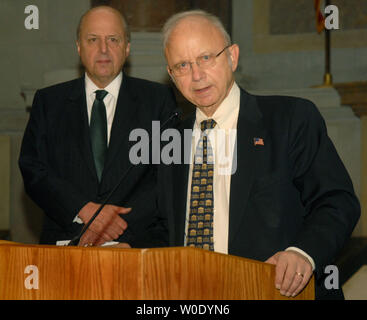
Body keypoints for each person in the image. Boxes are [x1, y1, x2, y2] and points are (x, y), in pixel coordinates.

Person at [157, 10, 360, 299]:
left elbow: (337, 201)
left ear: (232, 56)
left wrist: (302, 254)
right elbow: (165, 228)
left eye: (206, 58)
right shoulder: (170, 139)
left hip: (277, 292)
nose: (197, 75)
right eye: (182, 65)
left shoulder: (290, 119)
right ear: (171, 76)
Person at [18, 6, 176, 248]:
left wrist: (114, 224)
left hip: (135, 245)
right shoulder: (49, 102)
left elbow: (169, 176)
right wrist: (83, 209)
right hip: (65, 243)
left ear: (127, 48)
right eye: (93, 40)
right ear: (79, 47)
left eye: (113, 39)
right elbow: (33, 169)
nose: (103, 49)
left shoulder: (158, 100)